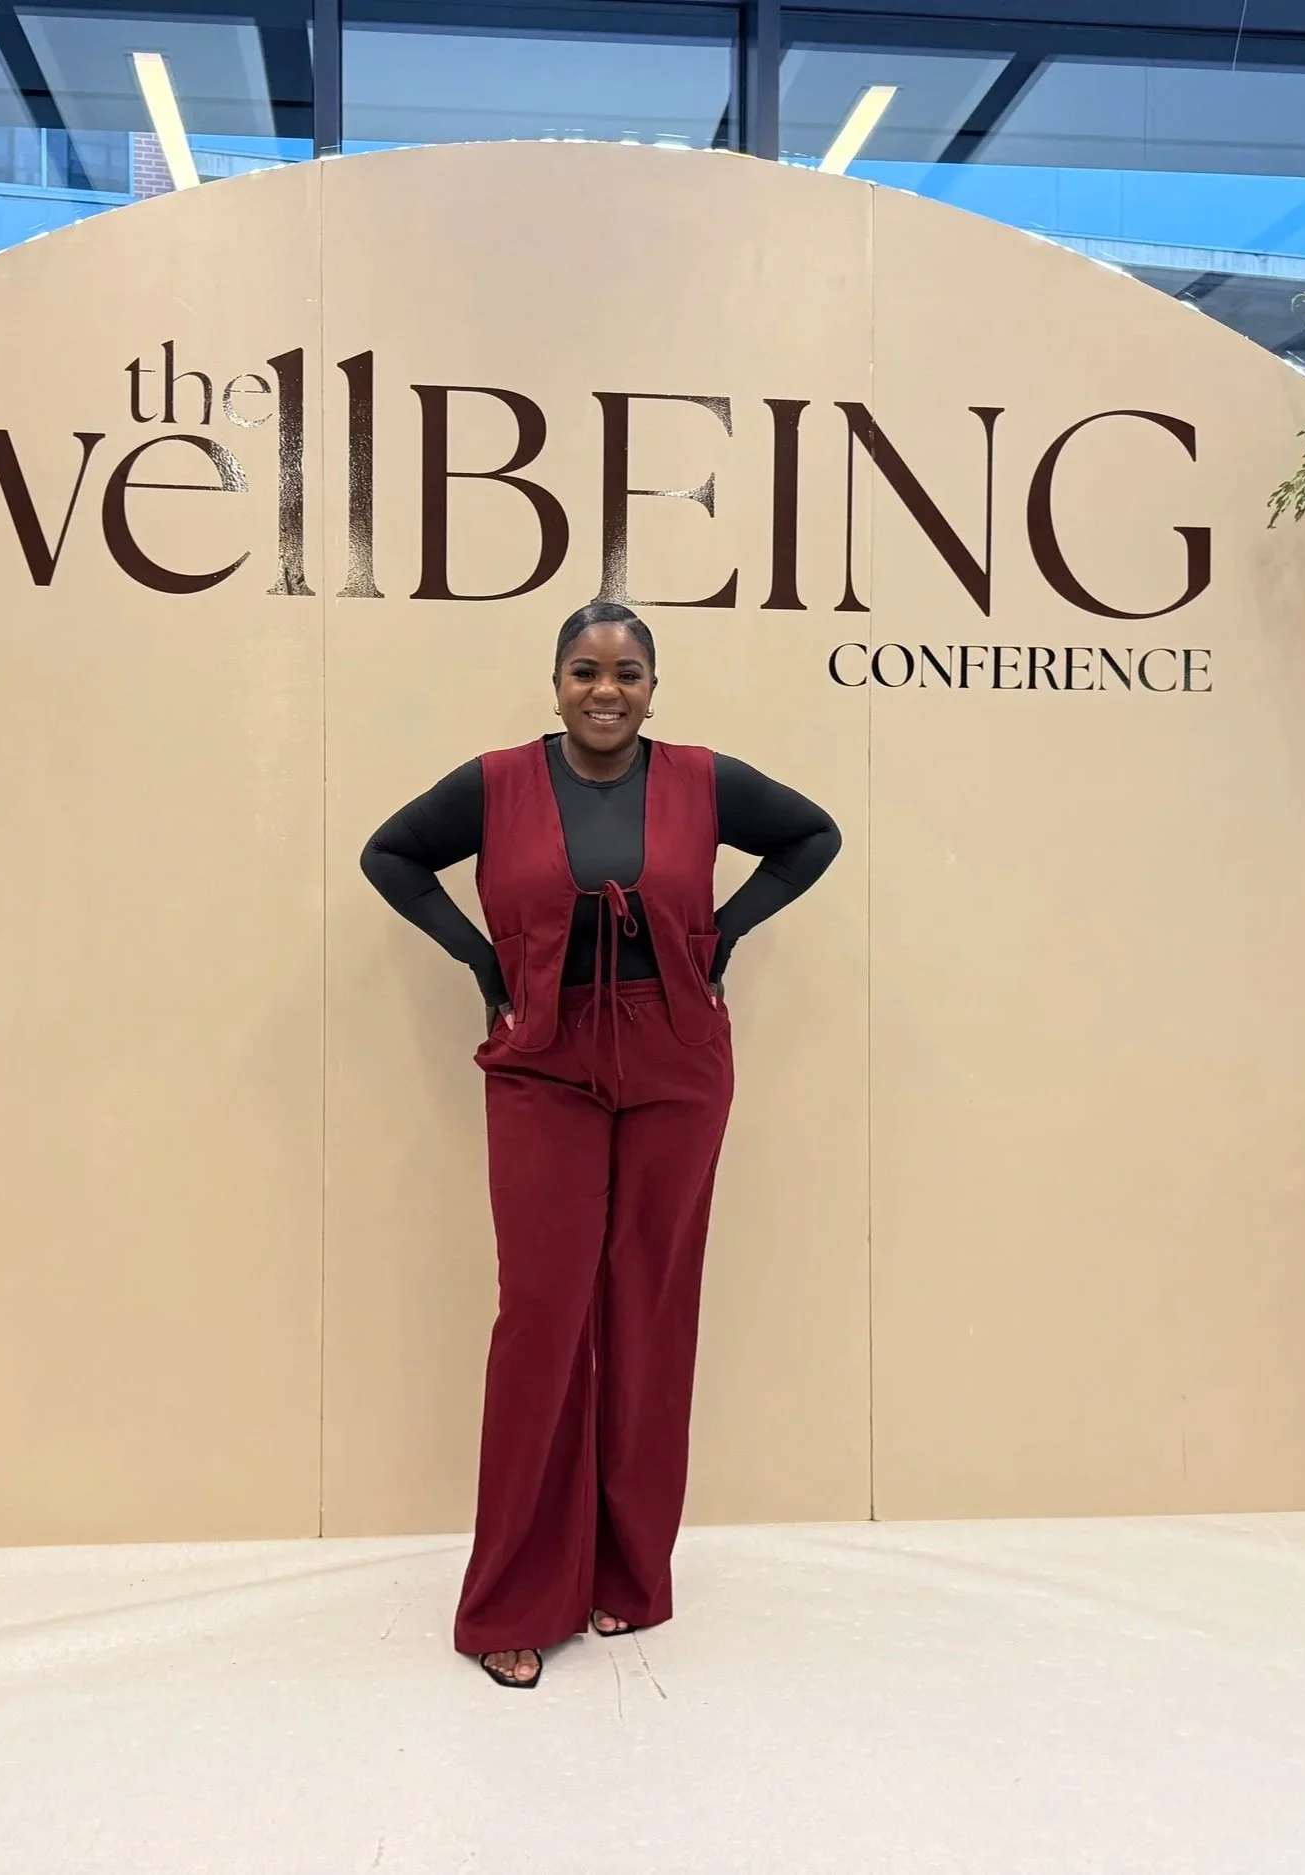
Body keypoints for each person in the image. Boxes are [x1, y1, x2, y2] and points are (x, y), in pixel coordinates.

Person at [359, 600, 841, 1690]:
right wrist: (485, 966)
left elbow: (814, 835)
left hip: (676, 1060)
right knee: (543, 1313)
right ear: (557, 682)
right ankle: (515, 1600)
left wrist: (720, 934)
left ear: (654, 686)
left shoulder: (703, 781)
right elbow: (390, 857)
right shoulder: (497, 783)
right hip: (545, 1062)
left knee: (651, 1308)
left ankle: (629, 1574)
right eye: (585, 670)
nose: (605, 690)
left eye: (627, 672)